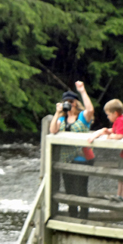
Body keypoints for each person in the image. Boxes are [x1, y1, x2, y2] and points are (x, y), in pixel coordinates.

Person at [88, 99, 123, 227]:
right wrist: (109, 131)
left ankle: (121, 196)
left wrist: (110, 136)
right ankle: (120, 195)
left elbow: (119, 135)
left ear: (115, 113)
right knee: (121, 175)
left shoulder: (120, 120)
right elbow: (116, 131)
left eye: (108, 115)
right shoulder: (122, 119)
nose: (108, 117)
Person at [49, 81, 95, 219]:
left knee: (81, 189)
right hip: (66, 159)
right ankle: (72, 214)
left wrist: (82, 91)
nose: (68, 104)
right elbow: (52, 130)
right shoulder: (62, 119)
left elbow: (90, 110)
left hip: (82, 158)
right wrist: (57, 113)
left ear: (75, 102)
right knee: (69, 189)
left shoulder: (82, 117)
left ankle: (84, 216)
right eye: (65, 102)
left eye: (70, 101)